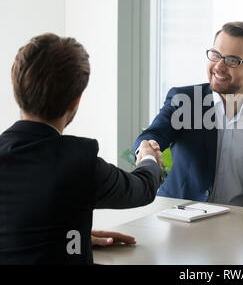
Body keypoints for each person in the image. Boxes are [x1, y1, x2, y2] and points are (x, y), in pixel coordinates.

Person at [0, 33, 163, 264]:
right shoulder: (79, 163)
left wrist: (68, 239)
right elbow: (143, 189)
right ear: (76, 101)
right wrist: (147, 156)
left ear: (16, 89)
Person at [134, 21, 243, 207]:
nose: (219, 67)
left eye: (232, 60)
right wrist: (146, 147)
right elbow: (153, 135)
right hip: (182, 216)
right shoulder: (184, 100)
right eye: (215, 55)